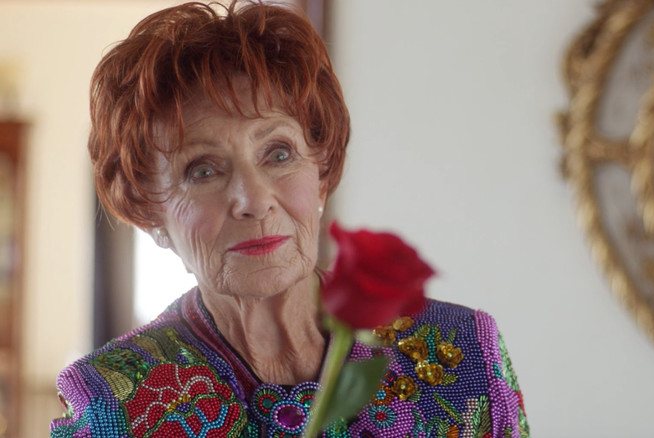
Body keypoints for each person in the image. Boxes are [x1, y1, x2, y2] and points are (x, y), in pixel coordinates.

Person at [50, 1, 529, 437]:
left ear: (321, 172)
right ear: (150, 211)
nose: (253, 200)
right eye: (203, 170)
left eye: (278, 154)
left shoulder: (464, 354)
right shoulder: (112, 405)